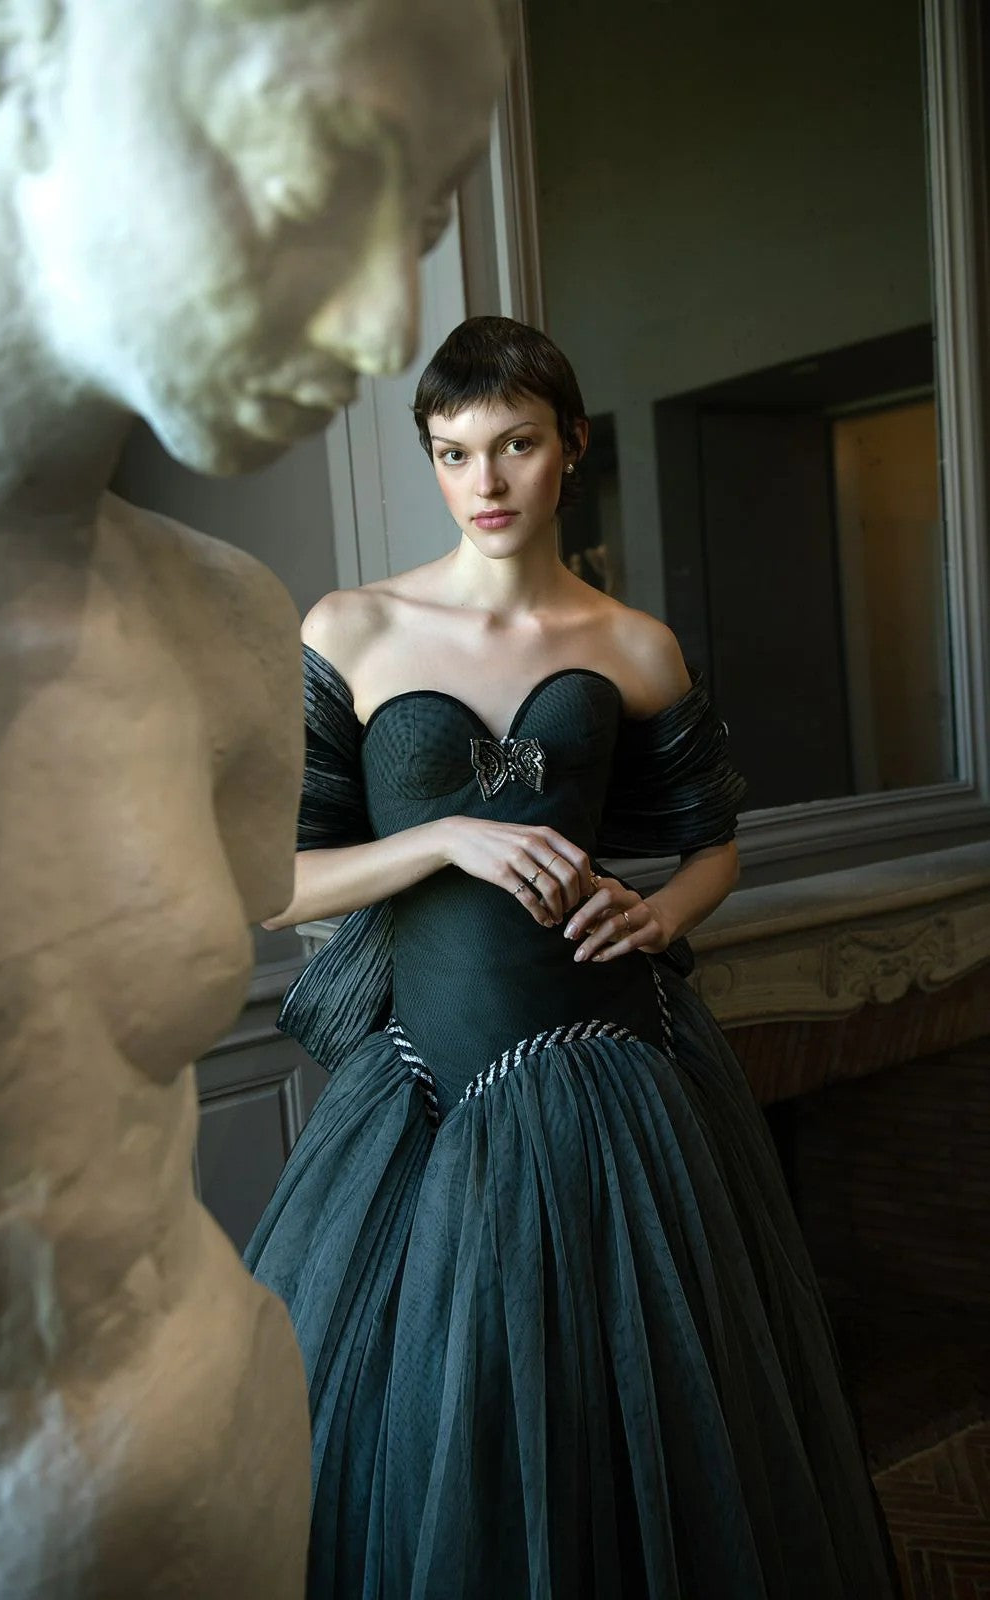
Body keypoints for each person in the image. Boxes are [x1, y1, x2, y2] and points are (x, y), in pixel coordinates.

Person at [0, 4, 510, 1596]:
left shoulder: (222, 624)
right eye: (308, 164)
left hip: (231, 1446)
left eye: (427, 223)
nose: (384, 324)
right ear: (6, 46)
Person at [247, 316, 900, 1599]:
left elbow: (714, 847)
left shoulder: (632, 643)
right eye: (453, 453)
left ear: (572, 447)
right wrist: (445, 837)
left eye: (516, 445)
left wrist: (663, 916)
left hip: (618, 1068)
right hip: (429, 1081)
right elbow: (272, 885)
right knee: (441, 1420)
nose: (484, 481)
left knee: (650, 1411)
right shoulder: (353, 627)